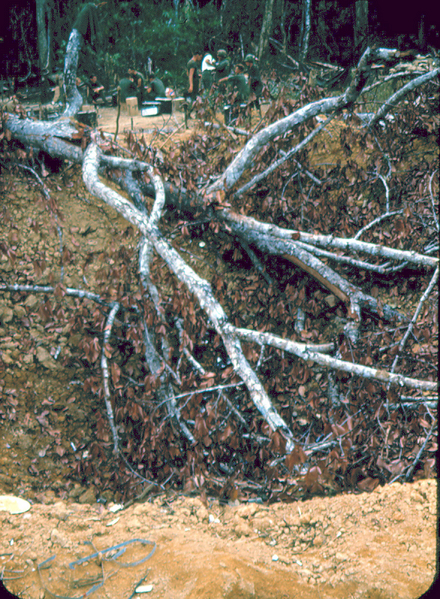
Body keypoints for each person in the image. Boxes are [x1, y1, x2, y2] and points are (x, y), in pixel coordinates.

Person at [186, 50, 203, 114]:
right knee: (194, 99)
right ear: (197, 55)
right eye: (200, 57)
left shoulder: (190, 62)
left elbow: (188, 73)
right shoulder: (193, 63)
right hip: (193, 84)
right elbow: (190, 74)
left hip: (192, 82)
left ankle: (191, 113)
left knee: (194, 99)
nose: (200, 59)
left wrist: (197, 75)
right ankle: (189, 113)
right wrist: (191, 85)